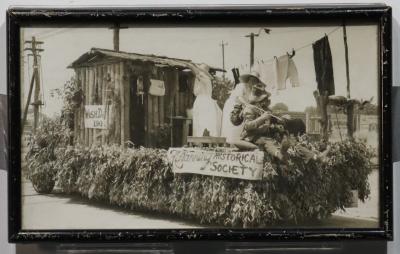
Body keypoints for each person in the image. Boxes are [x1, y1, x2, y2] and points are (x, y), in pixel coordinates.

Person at [230, 81, 330, 163]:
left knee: (291, 142)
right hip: (252, 137)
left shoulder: (261, 108)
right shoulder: (249, 110)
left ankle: (316, 156)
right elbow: (248, 126)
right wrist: (262, 118)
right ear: (257, 100)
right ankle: (280, 154)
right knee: (267, 141)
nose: (265, 101)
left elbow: (270, 122)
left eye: (265, 99)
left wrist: (277, 123)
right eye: (263, 99)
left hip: (264, 134)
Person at [221, 71, 265, 143]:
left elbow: (252, 101)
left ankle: (236, 142)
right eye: (252, 79)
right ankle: (228, 142)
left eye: (255, 81)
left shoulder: (251, 90)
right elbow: (239, 98)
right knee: (231, 124)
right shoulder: (241, 85)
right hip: (233, 105)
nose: (253, 82)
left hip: (242, 107)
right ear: (249, 79)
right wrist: (248, 105)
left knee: (239, 125)